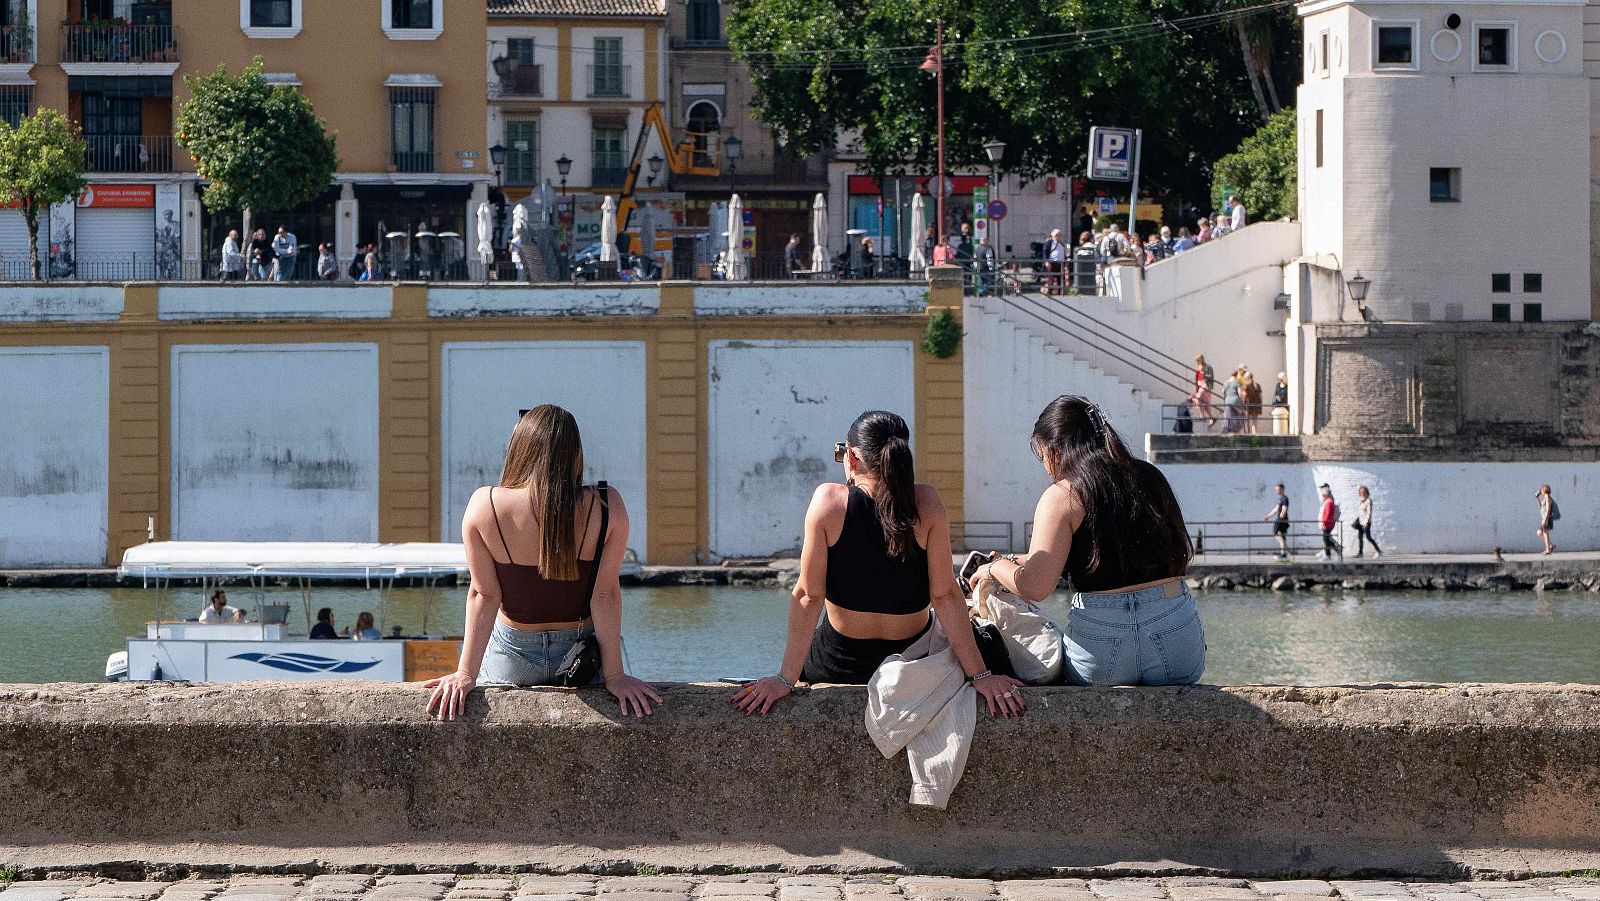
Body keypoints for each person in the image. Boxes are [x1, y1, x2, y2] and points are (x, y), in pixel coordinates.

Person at [733, 410, 1025, 717]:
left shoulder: (829, 502)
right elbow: (945, 596)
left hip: (837, 665)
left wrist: (783, 680)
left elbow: (808, 595)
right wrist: (979, 675)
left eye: (840, 453)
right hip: (912, 663)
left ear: (853, 459)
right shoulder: (926, 504)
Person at [425, 405, 660, 720]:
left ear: (519, 448)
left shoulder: (485, 505)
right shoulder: (607, 505)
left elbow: (485, 595)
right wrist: (616, 676)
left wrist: (465, 672)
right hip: (581, 656)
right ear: (575, 452)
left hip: (512, 653)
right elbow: (604, 595)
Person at [973, 395, 1204, 686]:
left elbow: (1034, 585)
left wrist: (994, 568)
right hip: (1176, 642)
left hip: (1103, 650)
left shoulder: (1063, 495)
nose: (1046, 467)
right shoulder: (1149, 476)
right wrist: (1015, 559)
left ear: (1055, 450)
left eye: (1042, 455)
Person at [1262, 483, 1291, 559]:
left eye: (1278, 489)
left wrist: (1282, 515)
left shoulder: (1284, 498)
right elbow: (1276, 509)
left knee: (1276, 534)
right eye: (1276, 490)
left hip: (1281, 520)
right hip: (1282, 519)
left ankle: (1284, 553)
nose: (1277, 491)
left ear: (1282, 489)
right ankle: (1285, 551)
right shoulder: (1281, 499)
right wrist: (1268, 516)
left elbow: (1284, 508)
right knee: (1282, 536)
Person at [1352, 486, 1382, 558]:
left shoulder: (1368, 501)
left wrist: (1366, 522)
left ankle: (1378, 551)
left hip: (1366, 522)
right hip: (1360, 522)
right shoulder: (1361, 501)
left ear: (1367, 492)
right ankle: (1360, 553)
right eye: (1361, 492)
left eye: (1364, 492)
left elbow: (1369, 512)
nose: (1362, 493)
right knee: (1360, 537)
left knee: (1368, 537)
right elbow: (1360, 512)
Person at [1317, 483, 1344, 561]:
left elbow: (1328, 513)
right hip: (1326, 523)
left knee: (1326, 539)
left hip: (1327, 524)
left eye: (1323, 495)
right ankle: (1331, 553)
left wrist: (1324, 522)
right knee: (1326, 539)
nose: (1322, 496)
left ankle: (1333, 552)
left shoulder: (1329, 502)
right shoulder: (1328, 501)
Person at [1192, 354, 1217, 428]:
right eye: (1196, 360)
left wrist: (1204, 374)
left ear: (1202, 359)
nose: (1197, 362)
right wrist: (1195, 389)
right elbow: (1196, 379)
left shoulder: (1208, 367)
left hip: (1205, 385)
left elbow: (1211, 376)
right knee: (1200, 401)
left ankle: (1202, 415)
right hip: (1199, 385)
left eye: (1198, 360)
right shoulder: (1197, 368)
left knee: (1200, 399)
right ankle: (1211, 418)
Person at [1042, 228, 1067, 295]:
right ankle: (1049, 293)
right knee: (1051, 278)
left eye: (1059, 235)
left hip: (1060, 263)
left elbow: (1064, 253)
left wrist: (1065, 262)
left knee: (1060, 279)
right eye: (1056, 235)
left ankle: (1060, 293)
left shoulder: (1062, 244)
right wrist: (1046, 261)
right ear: (1053, 236)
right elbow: (1045, 252)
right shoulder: (1049, 242)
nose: (1058, 236)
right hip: (1052, 263)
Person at [1221, 367, 1244, 434]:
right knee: (1240, 415)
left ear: (1231, 375)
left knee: (1228, 416)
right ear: (1236, 375)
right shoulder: (1237, 382)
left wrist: (1227, 396)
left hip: (1227, 401)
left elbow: (1222, 392)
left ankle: (1229, 430)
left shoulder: (1226, 383)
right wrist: (1242, 401)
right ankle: (1237, 430)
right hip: (1235, 401)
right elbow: (1240, 393)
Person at [1536, 484, 1558, 555]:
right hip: (1544, 518)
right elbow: (1541, 508)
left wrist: (1545, 519)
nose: (1541, 491)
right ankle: (1550, 545)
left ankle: (1548, 550)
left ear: (1544, 490)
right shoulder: (1544, 498)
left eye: (1542, 490)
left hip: (1547, 519)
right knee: (1540, 533)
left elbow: (1548, 509)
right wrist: (1538, 498)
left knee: (1545, 534)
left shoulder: (1548, 498)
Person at [1242, 370, 1263, 435]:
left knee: (1246, 420)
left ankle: (1247, 434)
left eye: (1245, 378)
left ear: (1249, 378)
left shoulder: (1245, 386)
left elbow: (1244, 396)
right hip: (1256, 405)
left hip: (1248, 405)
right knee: (1254, 421)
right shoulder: (1257, 385)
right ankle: (1254, 434)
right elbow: (1261, 396)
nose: (1245, 379)